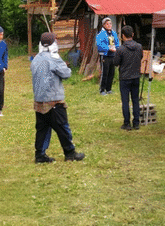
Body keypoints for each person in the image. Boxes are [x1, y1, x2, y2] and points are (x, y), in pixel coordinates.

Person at [31, 32, 85, 164]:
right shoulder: (53, 58)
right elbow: (66, 74)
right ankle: (70, 153)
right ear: (52, 43)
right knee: (62, 127)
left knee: (42, 129)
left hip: (39, 99)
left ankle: (40, 155)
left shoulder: (36, 58)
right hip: (53, 99)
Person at [113, 25, 143, 130]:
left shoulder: (121, 49)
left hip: (125, 77)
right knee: (135, 100)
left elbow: (115, 62)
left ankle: (127, 123)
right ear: (133, 35)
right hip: (136, 76)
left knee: (125, 101)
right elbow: (141, 57)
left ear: (122, 36)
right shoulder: (139, 47)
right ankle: (136, 123)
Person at [96, 17, 120, 95]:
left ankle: (109, 89)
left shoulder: (113, 33)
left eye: (110, 23)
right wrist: (109, 48)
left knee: (111, 72)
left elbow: (117, 43)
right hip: (105, 55)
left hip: (112, 55)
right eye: (107, 24)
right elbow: (100, 45)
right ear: (103, 25)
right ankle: (102, 90)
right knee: (105, 73)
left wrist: (117, 48)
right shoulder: (101, 34)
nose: (109, 25)